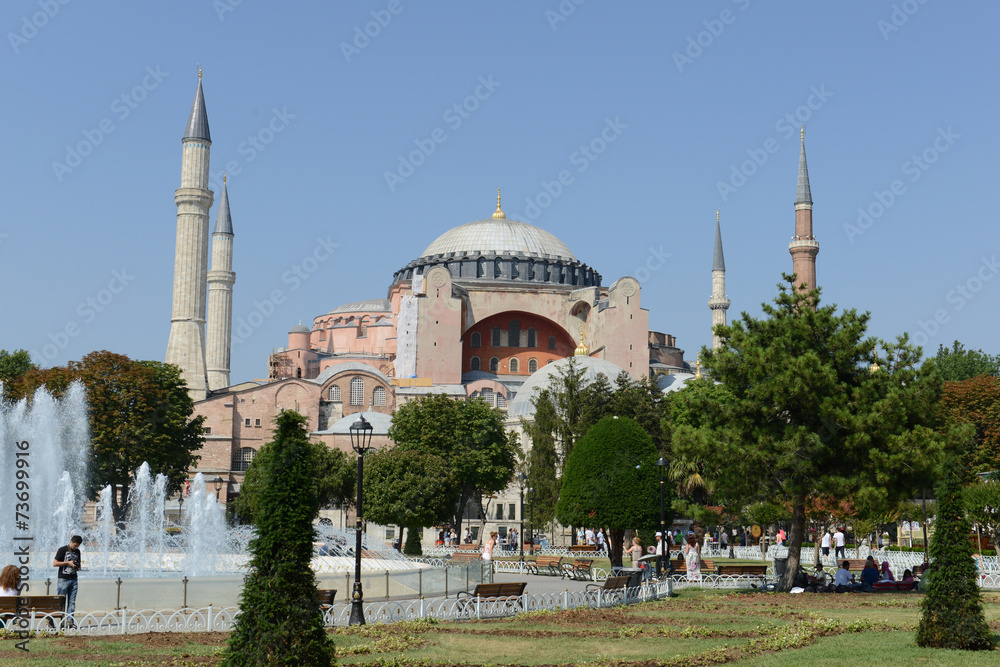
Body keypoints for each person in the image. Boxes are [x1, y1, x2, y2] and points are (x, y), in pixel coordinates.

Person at [53, 535, 83, 627]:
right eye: (74, 545)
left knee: (72, 602)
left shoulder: (78, 551)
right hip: (63, 579)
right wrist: (68, 563)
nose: (76, 547)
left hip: (74, 578)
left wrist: (78, 566)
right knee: (61, 601)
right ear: (71, 542)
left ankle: (70, 622)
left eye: (77, 546)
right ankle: (61, 622)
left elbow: (78, 563)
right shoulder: (62, 550)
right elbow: (54, 563)